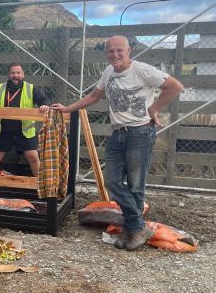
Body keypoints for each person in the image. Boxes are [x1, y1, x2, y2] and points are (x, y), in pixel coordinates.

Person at [52, 35, 183, 251]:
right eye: (110, 51)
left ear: (128, 50)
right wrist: (67, 108)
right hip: (117, 134)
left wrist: (154, 109)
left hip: (140, 133)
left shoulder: (142, 70)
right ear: (106, 53)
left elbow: (175, 86)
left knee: (135, 186)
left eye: (119, 50)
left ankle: (132, 230)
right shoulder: (109, 72)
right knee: (112, 182)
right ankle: (138, 226)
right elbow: (94, 95)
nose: (115, 54)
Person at [0, 63, 51, 176]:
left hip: (25, 132)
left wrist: (44, 105)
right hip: (3, 132)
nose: (16, 75)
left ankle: (42, 188)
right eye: (13, 73)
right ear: (9, 75)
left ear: (23, 74)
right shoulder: (0, 88)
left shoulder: (31, 88)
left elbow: (45, 100)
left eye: (18, 73)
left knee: (33, 158)